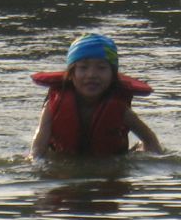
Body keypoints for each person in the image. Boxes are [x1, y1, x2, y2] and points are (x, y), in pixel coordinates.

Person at [29, 33, 162, 158]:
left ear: (113, 76)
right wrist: (34, 163)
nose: (92, 75)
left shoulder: (120, 108)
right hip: (64, 159)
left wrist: (157, 162)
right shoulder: (54, 105)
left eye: (101, 68)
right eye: (83, 67)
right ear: (71, 74)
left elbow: (149, 139)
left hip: (110, 162)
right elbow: (39, 145)